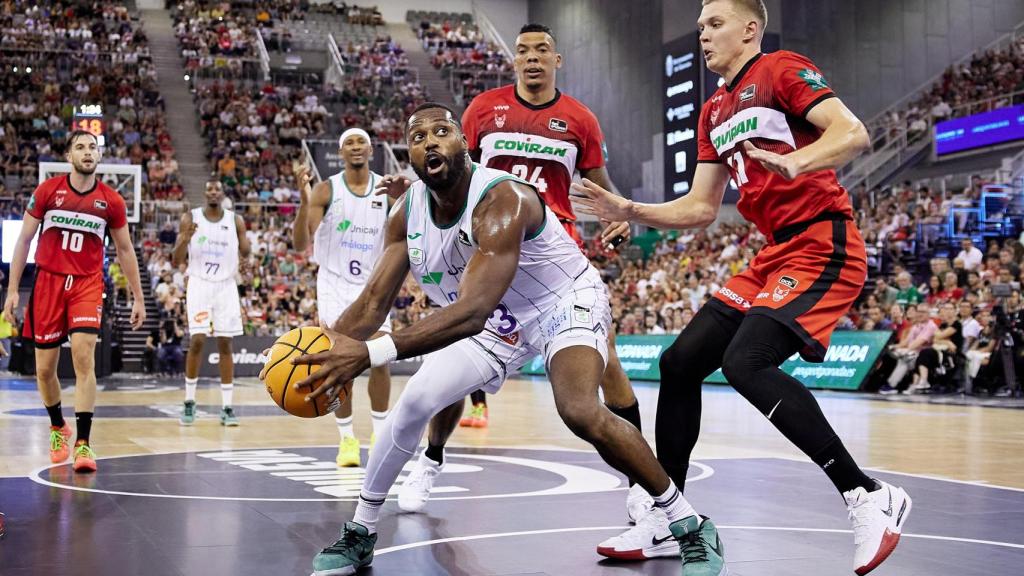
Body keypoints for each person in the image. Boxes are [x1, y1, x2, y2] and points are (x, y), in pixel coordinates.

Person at [277, 103, 716, 576]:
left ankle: (686, 523)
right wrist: (322, 352)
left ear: (464, 142)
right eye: (418, 135)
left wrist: (366, 353)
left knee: (579, 409)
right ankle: (361, 530)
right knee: (414, 402)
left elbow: (471, 312)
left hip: (560, 301)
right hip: (499, 319)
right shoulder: (406, 214)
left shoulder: (503, 199)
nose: (430, 141)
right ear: (409, 152)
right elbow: (371, 305)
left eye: (442, 131)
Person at [571, 1, 912, 573]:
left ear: (750, 28)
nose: (702, 34)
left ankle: (867, 495)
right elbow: (702, 209)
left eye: (714, 23)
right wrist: (626, 207)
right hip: (774, 252)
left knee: (746, 363)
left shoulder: (780, 69)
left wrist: (797, 163)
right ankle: (667, 512)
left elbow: (853, 133)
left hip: (823, 241)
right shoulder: (712, 111)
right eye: (701, 25)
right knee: (680, 363)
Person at [394, 22, 652, 525]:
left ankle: (642, 484)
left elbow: (599, 184)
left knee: (610, 367)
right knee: (453, 363)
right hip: (484, 255)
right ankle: (431, 459)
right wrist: (407, 191)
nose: (532, 58)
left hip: (553, 262)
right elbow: (445, 166)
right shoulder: (482, 110)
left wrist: (619, 216)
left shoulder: (580, 119)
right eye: (522, 51)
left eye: (542, 51)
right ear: (513, 61)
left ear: (558, 60)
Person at [2, 130, 146, 473]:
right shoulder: (48, 191)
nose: (87, 152)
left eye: (92, 147)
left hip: (86, 284)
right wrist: (11, 289)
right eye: (80, 147)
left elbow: (125, 250)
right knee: (43, 370)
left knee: (84, 359)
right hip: (48, 283)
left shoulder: (111, 201)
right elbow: (23, 241)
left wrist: (138, 297)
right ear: (69, 157)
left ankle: (83, 443)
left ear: (98, 156)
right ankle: (57, 427)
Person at [291, 128, 394, 467]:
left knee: (380, 359)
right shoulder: (326, 189)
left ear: (370, 149)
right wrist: (304, 200)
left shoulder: (386, 189)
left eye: (360, 142)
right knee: (340, 363)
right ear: (341, 151)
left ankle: (379, 434)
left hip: (372, 283)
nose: (355, 147)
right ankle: (347, 439)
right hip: (335, 283)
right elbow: (300, 245)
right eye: (348, 142)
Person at [173, 181, 250, 426]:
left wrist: (245, 256)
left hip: (226, 285)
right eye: (210, 189)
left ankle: (227, 407)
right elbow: (176, 259)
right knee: (197, 341)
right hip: (199, 283)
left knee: (226, 344)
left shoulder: (235, 220)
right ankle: (189, 401)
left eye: (218, 189)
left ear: (222, 193)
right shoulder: (190, 218)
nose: (214, 192)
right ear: (205, 193)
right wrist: (184, 239)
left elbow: (246, 251)